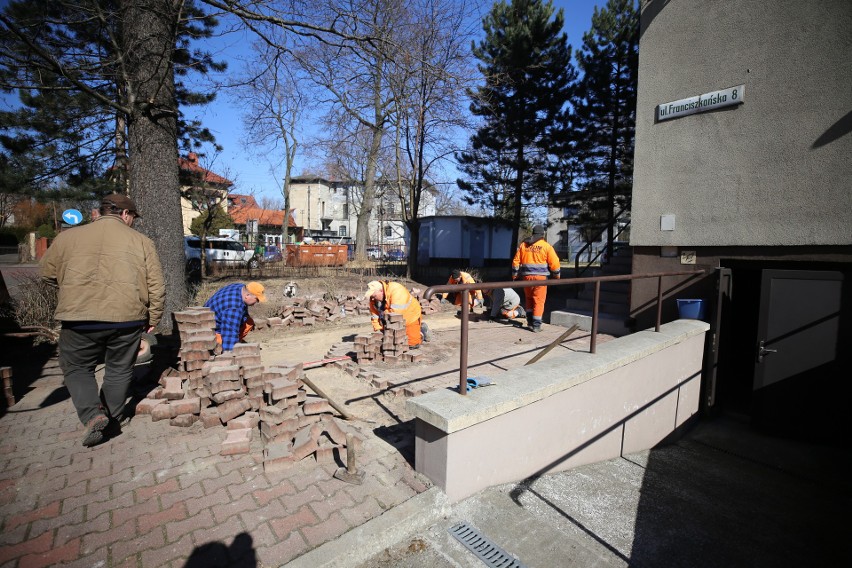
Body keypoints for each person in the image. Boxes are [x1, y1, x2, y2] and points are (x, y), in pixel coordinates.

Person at [40, 193, 165, 447]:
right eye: (133, 218)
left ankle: (93, 415)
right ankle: (114, 417)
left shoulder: (67, 238)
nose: (133, 222)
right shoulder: (142, 242)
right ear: (126, 214)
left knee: (76, 368)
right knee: (119, 369)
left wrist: (71, 290)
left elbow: (47, 273)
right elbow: (157, 285)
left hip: (78, 318)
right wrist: (153, 316)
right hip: (127, 318)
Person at [511, 224, 560, 332]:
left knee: (529, 299)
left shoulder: (524, 245)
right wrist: (557, 276)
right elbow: (555, 263)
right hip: (540, 279)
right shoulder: (546, 246)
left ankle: (529, 322)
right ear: (543, 234)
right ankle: (536, 325)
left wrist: (515, 275)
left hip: (526, 278)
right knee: (538, 301)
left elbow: (515, 262)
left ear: (533, 233)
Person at [205, 282, 267, 351]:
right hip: (209, 331)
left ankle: (236, 341)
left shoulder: (241, 287)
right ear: (247, 295)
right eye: (256, 299)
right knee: (226, 341)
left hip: (217, 316)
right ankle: (220, 344)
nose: (257, 302)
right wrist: (231, 355)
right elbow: (229, 335)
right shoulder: (233, 308)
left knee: (249, 322)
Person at [363, 280, 428, 347]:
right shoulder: (373, 300)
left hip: (410, 316)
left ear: (381, 291)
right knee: (390, 342)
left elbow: (396, 313)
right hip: (391, 319)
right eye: (372, 297)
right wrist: (379, 330)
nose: (373, 299)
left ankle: (422, 331)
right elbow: (375, 316)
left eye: (374, 296)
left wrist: (383, 315)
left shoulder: (396, 290)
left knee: (412, 344)